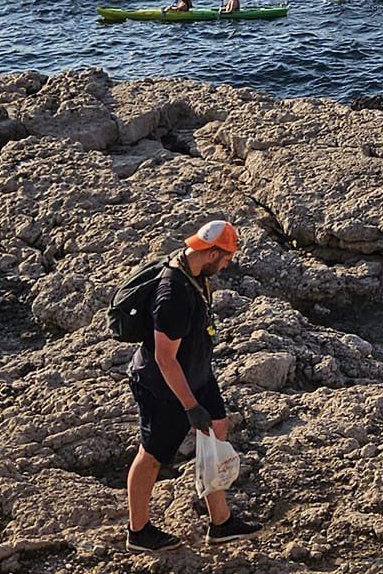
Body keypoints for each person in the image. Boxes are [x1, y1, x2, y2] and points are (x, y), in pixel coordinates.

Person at [124, 220, 260, 551]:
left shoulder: (195, 271)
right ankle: (138, 531)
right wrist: (190, 405)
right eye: (226, 258)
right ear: (212, 253)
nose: (227, 265)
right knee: (152, 455)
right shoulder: (173, 295)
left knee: (217, 429)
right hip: (164, 387)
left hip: (197, 373)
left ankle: (221, 523)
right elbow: (164, 358)